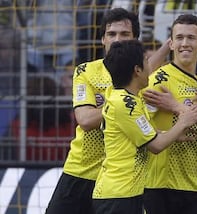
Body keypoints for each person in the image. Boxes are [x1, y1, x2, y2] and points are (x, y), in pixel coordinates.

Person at [45, 8, 169, 214]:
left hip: (121, 181)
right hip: (83, 170)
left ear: (135, 41)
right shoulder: (86, 71)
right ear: (102, 39)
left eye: (125, 34)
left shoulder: (141, 77)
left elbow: (149, 67)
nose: (117, 40)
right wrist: (121, 103)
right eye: (112, 34)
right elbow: (84, 119)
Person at [92, 39, 197, 214]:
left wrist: (172, 133)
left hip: (126, 193)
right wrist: (184, 120)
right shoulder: (125, 103)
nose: (150, 65)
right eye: (146, 60)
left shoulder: (127, 98)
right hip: (118, 195)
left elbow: (141, 135)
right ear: (137, 70)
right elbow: (156, 145)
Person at [142, 14, 197, 214]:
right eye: (180, 38)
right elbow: (139, 125)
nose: (185, 43)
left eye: (191, 38)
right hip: (163, 185)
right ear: (172, 43)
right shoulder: (159, 79)